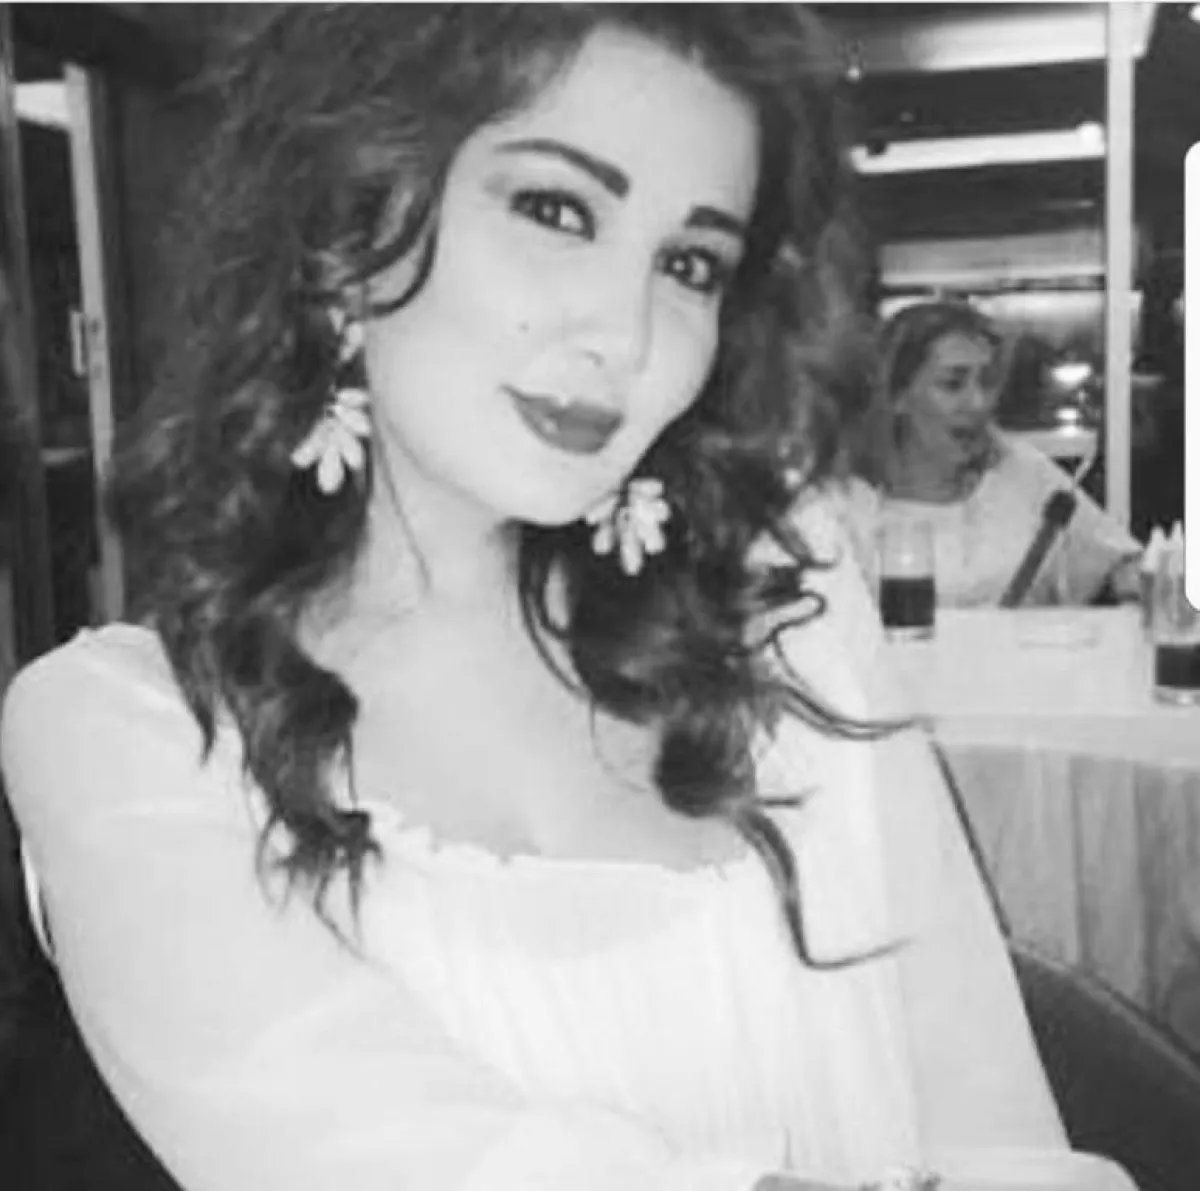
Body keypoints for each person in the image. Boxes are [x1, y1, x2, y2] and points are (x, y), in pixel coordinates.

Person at [0, 7, 1134, 1191]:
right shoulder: (128, 732)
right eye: (556, 210)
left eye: (690, 265)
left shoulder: (781, 600)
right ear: (346, 224)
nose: (626, 334)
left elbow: (991, 1105)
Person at [839, 301, 1142, 608]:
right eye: (952, 384)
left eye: (986, 382)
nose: (978, 402)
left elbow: (1122, 565)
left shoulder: (1021, 471)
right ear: (897, 396)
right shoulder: (847, 503)